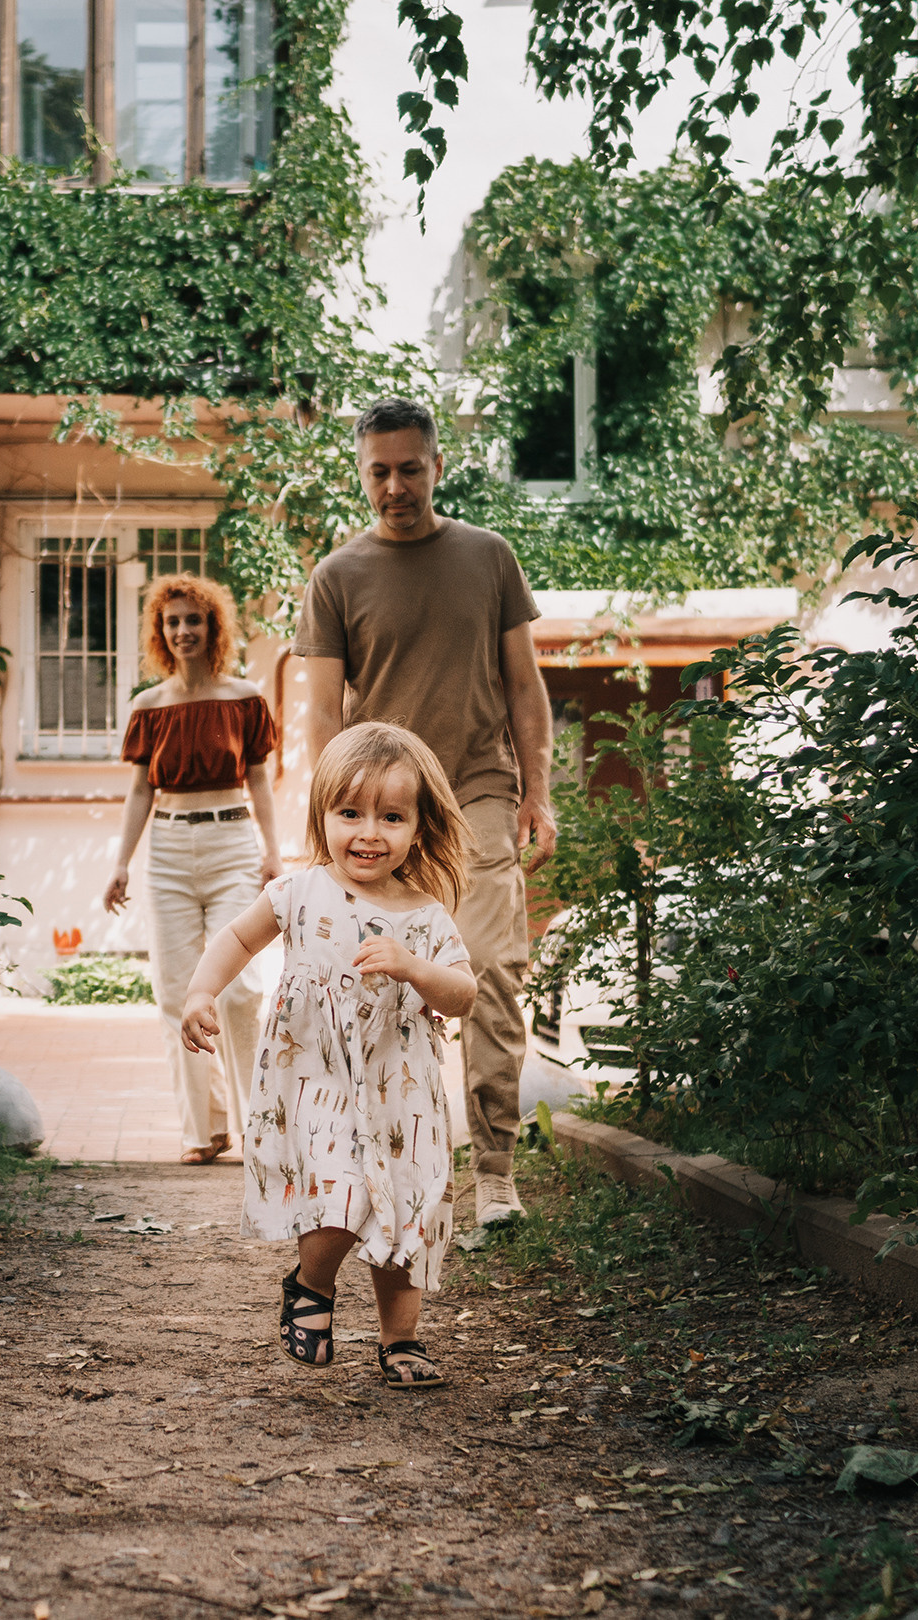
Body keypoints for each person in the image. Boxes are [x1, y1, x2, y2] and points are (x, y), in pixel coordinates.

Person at [293, 397, 557, 1238]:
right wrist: (332, 821)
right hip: (384, 808)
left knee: (486, 972)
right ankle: (378, 1165)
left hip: (477, 792)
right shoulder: (337, 577)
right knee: (372, 984)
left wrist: (537, 793)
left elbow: (526, 688)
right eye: (380, 471)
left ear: (438, 467)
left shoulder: (489, 558)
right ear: (362, 473)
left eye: (411, 468)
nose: (396, 486)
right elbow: (321, 714)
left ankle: (494, 1175)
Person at [179, 722, 476, 1388]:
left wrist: (414, 969)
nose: (369, 832)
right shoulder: (300, 892)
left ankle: (401, 1340)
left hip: (400, 1090)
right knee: (340, 1193)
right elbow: (237, 938)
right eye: (350, 813)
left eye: (391, 817)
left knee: (403, 1210)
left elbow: (464, 992)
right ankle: (312, 1285)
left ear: (418, 829)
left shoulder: (426, 918)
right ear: (323, 816)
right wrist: (201, 991)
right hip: (320, 1079)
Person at [103, 573, 282, 1166]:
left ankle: (258, 1127)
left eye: (193, 620)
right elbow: (138, 794)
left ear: (213, 628)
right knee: (177, 992)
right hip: (169, 853)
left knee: (237, 990)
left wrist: (273, 851)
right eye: (172, 621)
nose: (183, 631)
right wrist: (120, 864)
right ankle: (203, 1131)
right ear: (162, 631)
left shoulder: (245, 698)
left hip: (232, 841)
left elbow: (259, 778)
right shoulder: (147, 708)